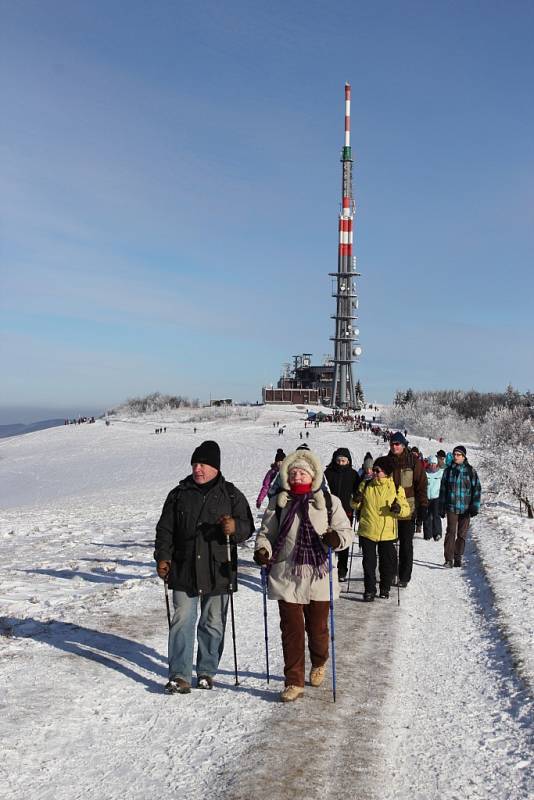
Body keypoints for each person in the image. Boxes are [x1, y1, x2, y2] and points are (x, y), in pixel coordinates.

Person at [154, 440, 254, 694]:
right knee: (182, 620)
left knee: (212, 622)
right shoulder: (179, 494)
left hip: (218, 569)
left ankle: (206, 671)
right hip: (183, 567)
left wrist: (235, 528)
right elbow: (165, 529)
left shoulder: (231, 494)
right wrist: (163, 557)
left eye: (203, 464)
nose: (197, 469)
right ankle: (180, 674)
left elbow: (248, 526)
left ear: (215, 467)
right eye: (195, 464)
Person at [254, 449, 352, 702]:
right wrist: (263, 550)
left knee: (318, 629)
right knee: (291, 630)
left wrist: (336, 539)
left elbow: (346, 533)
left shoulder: (330, 502)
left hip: (319, 577)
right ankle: (293, 681)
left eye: (303, 473)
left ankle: (319, 662)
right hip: (287, 575)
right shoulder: (279, 502)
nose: (298, 476)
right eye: (293, 472)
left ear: (313, 475)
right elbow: (266, 534)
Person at [352, 456, 409, 600]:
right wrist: (355, 500)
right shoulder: (365, 485)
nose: (374, 473)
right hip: (368, 529)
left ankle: (385, 587)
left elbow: (406, 509)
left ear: (386, 472)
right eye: (374, 470)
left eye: (378, 470)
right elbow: (354, 505)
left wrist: (398, 509)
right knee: (368, 563)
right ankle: (369, 590)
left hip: (387, 533)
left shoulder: (396, 488)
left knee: (386, 563)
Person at [388, 432, 428, 587]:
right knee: (389, 545)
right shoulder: (386, 462)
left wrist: (423, 505)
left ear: (403, 445)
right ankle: (390, 573)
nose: (394, 446)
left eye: (397, 444)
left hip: (408, 510)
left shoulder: (413, 462)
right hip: (389, 510)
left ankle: (404, 576)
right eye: (392, 444)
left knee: (405, 544)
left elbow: (422, 485)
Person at [438, 446, 481, 568]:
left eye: (459, 454)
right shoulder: (448, 471)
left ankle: (458, 557)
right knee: (451, 532)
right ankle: (448, 559)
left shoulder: (470, 471)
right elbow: (443, 490)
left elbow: (477, 489)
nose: (456, 456)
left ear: (464, 456)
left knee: (462, 534)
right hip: (451, 506)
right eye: (455, 454)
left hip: (466, 507)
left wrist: (475, 506)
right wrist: (441, 506)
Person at [324, 448, 360, 581]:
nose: (340, 463)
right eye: (338, 460)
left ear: (348, 461)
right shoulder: (328, 473)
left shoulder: (353, 474)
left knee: (344, 540)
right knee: (328, 539)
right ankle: (327, 567)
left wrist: (357, 497)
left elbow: (358, 490)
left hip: (346, 512)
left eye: (343, 460)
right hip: (328, 512)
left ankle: (342, 570)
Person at [423, 456, 444, 541]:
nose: (432, 465)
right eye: (431, 463)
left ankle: (437, 533)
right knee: (427, 516)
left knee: (436, 515)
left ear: (436, 464)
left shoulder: (441, 473)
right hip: (427, 497)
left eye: (434, 463)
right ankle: (428, 534)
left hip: (436, 497)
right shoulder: (425, 473)